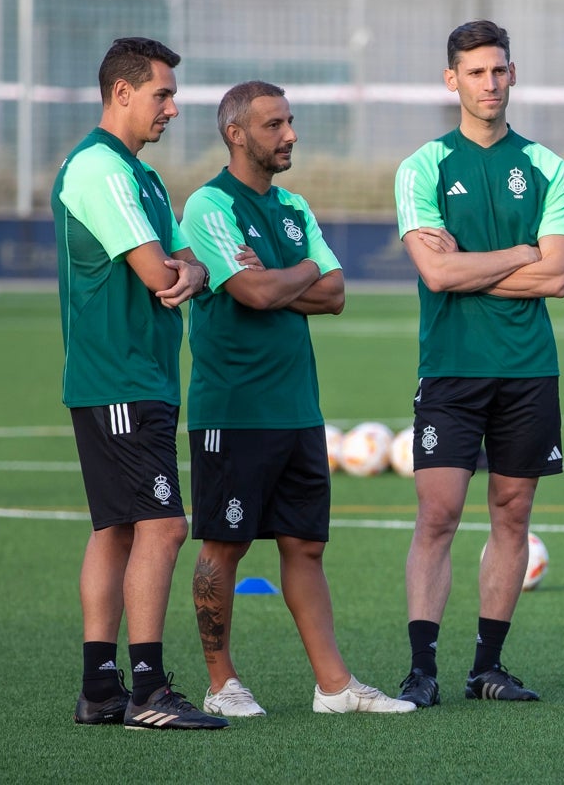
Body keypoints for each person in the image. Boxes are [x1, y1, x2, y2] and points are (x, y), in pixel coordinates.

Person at [180, 81, 414, 716]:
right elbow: (253, 296)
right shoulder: (208, 207)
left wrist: (285, 274)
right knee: (223, 547)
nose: (290, 135)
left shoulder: (294, 207)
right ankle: (220, 682)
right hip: (233, 409)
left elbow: (335, 293)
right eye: (275, 125)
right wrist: (295, 273)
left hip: (298, 409)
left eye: (291, 122)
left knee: (305, 545)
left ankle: (335, 687)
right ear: (237, 134)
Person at [393, 20, 564, 707]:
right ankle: (421, 668)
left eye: (499, 70)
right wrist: (518, 254)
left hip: (529, 368)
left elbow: (558, 276)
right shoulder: (422, 167)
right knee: (438, 513)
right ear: (453, 80)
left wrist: (468, 264)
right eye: (475, 72)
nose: (490, 83)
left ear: (512, 75)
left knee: (512, 511)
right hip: (450, 366)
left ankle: (487, 668)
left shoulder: (547, 167)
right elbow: (435, 277)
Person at [54, 37, 227, 730]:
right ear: (121, 93)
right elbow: (164, 275)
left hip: (138, 377)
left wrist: (187, 272)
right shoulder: (99, 169)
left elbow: (191, 265)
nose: (174, 108)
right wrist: (181, 274)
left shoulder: (142, 176)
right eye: (162, 94)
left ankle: (100, 689)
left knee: (118, 531)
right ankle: (148, 689)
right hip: (119, 377)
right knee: (163, 526)